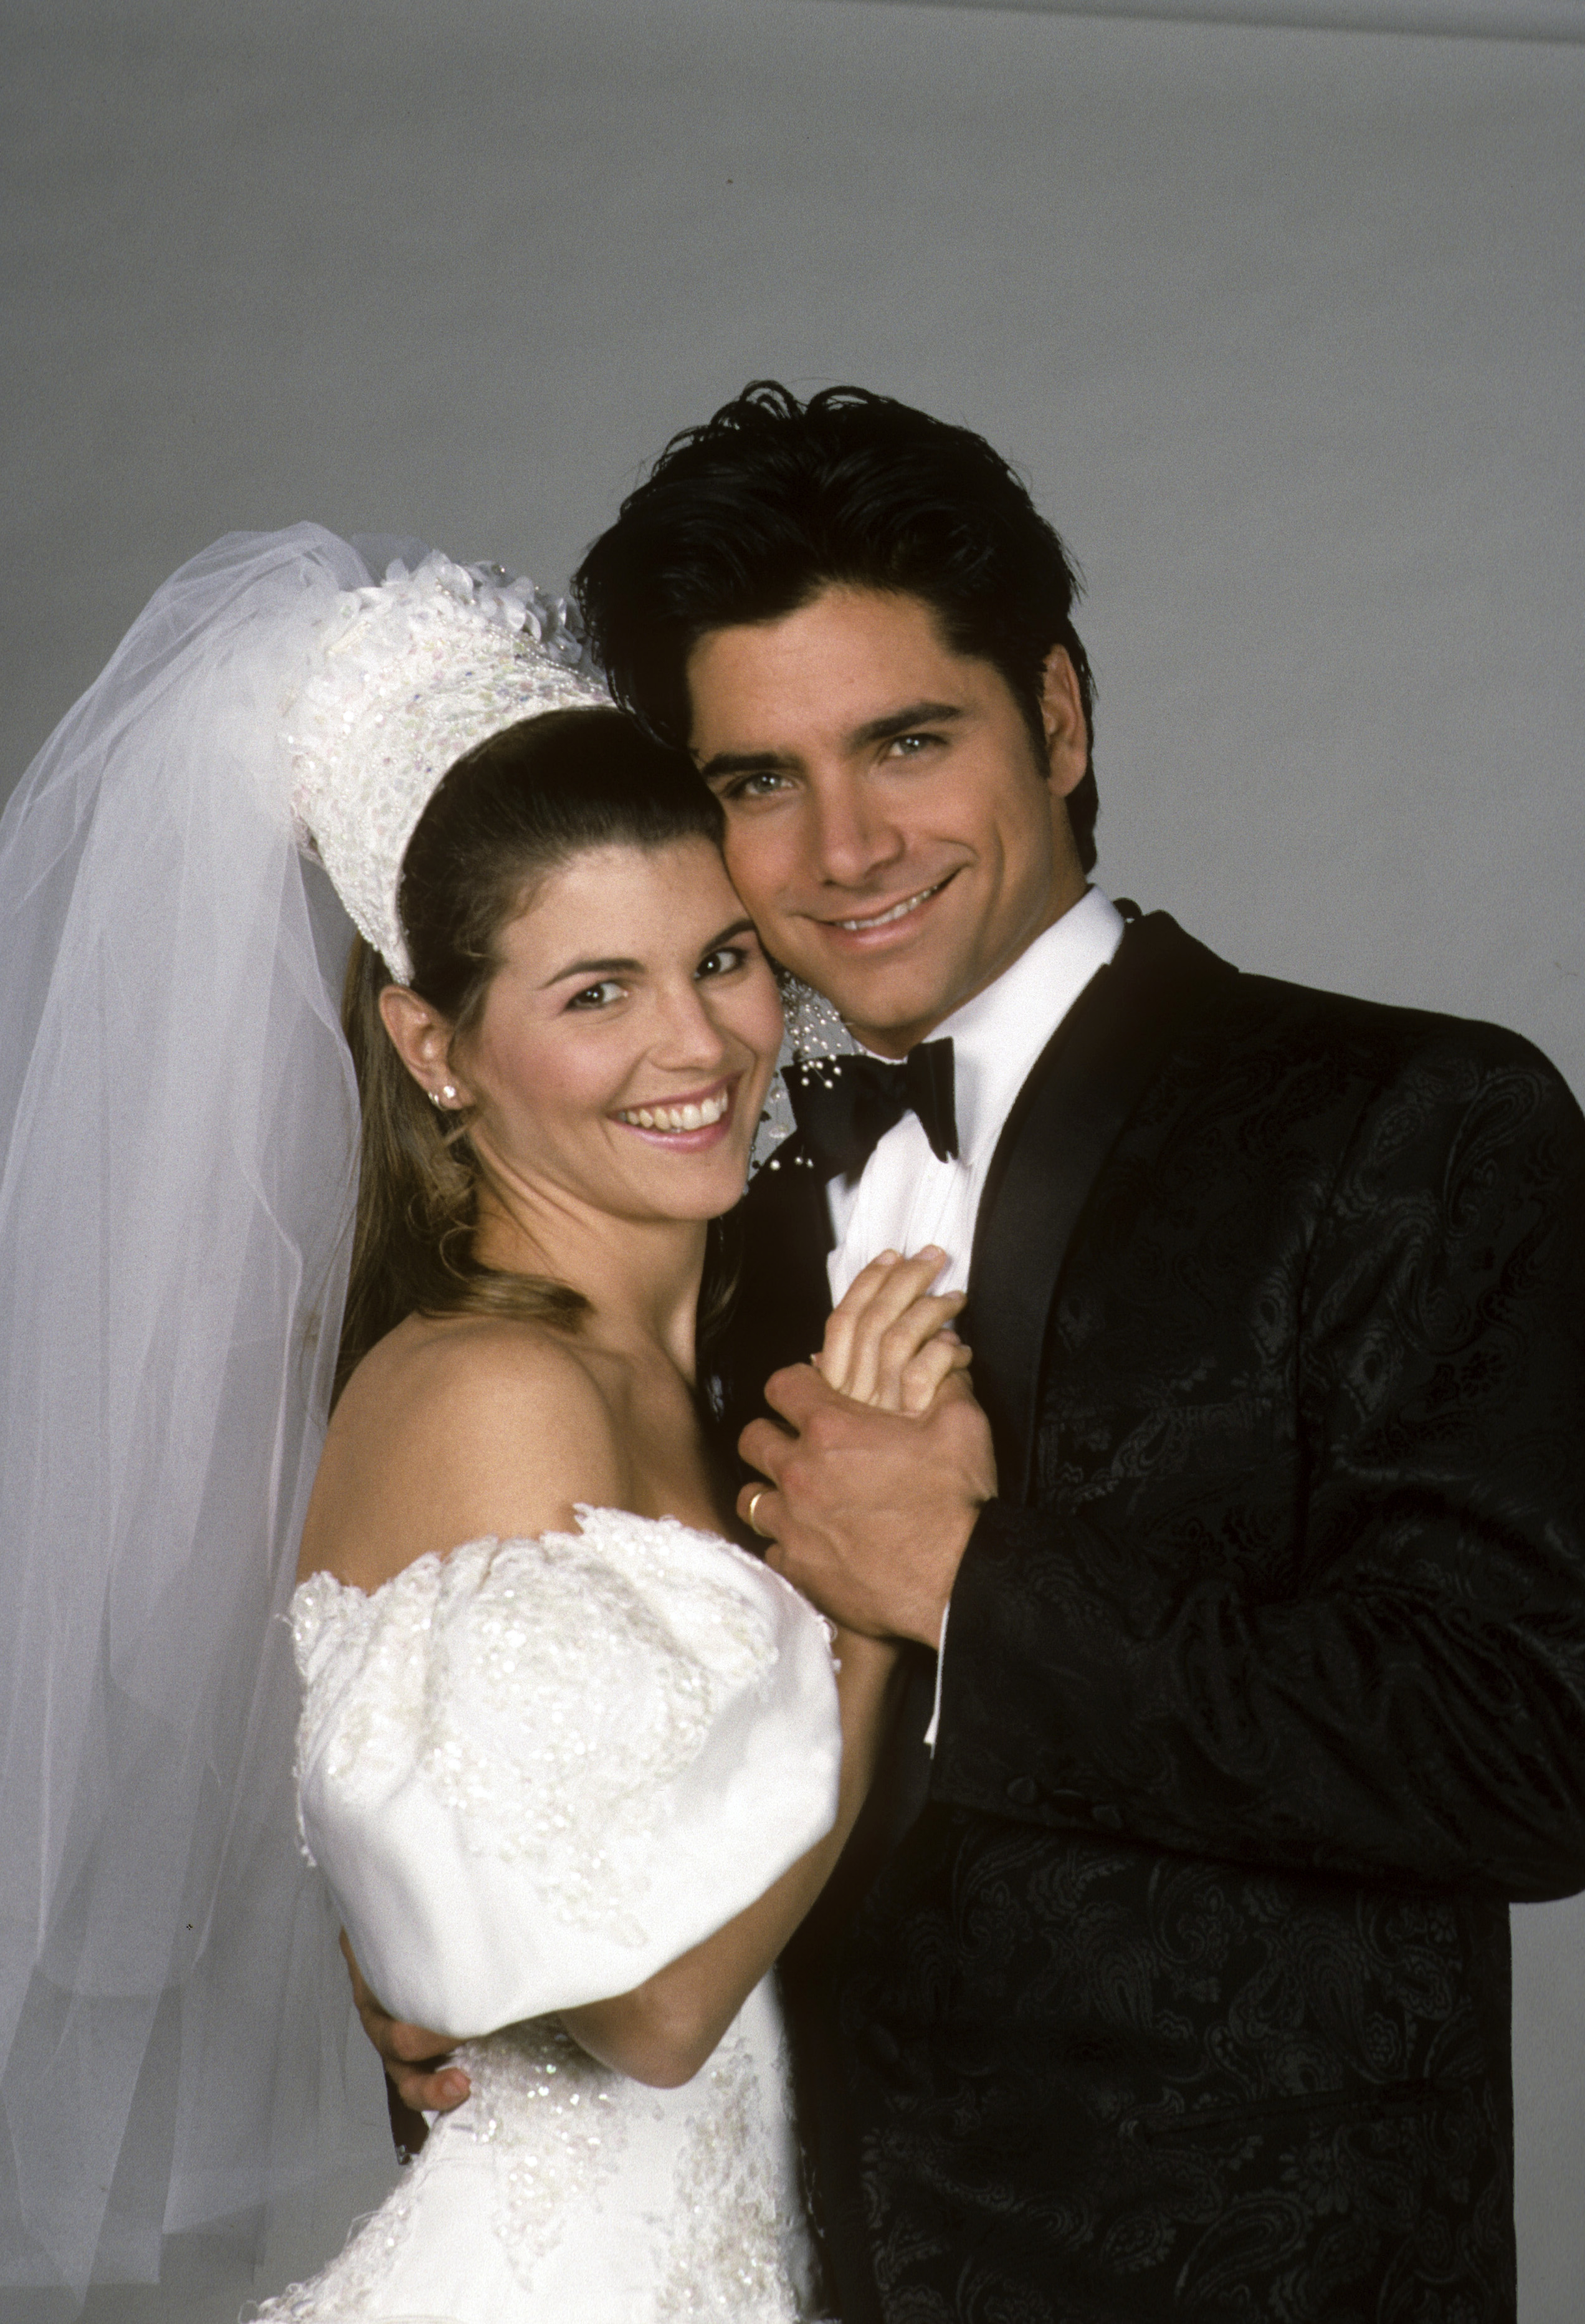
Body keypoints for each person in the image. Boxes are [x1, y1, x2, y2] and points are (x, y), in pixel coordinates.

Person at [551, 383, 1585, 2322]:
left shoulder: (1411, 1118)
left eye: (907, 742)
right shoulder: (720, 1223)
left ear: (1060, 716)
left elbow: (1534, 1744)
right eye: (757, 779)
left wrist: (970, 1581)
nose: (843, 845)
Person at [0, 524, 962, 2322]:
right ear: (436, 1046)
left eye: (726, 957)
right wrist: (869, 1597)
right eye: (595, 992)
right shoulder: (490, 1391)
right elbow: (652, 2009)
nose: (700, 1043)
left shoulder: (682, 1343)